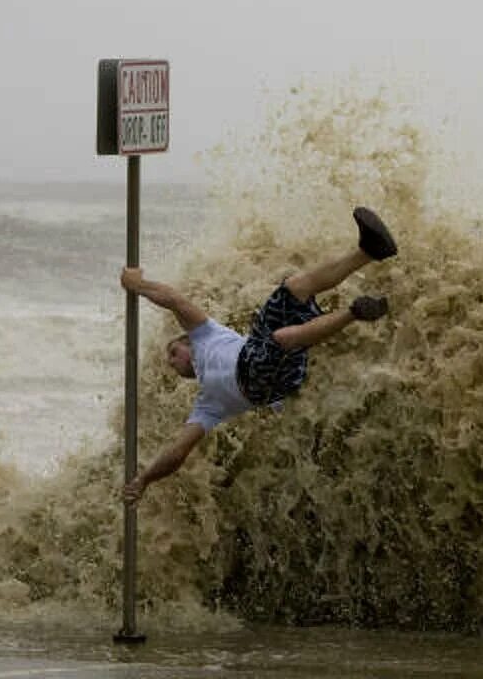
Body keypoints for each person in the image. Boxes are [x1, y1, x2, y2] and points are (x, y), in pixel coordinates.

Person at [120, 206, 397, 505]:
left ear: (187, 340)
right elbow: (177, 453)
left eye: (173, 352)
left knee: (294, 287)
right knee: (282, 339)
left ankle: (369, 251)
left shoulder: (206, 333)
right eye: (170, 363)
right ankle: (355, 312)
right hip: (259, 383)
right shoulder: (207, 406)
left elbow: (174, 300)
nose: (171, 362)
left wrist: (137, 286)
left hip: (257, 348)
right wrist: (145, 478)